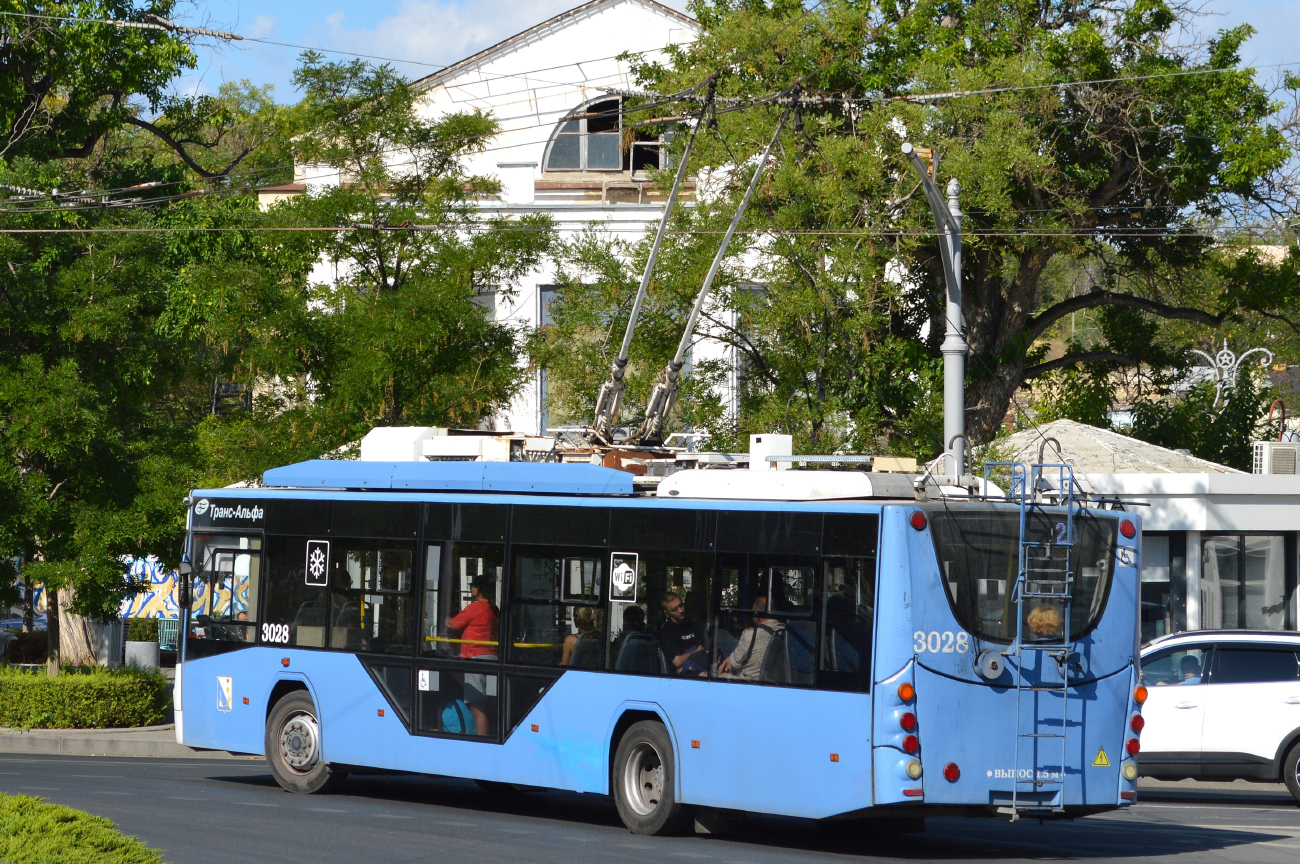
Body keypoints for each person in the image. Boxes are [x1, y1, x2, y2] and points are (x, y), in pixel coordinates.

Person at [446, 575, 499, 736]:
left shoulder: (475, 608)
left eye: (473, 586)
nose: (471, 589)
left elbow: (453, 624)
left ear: (478, 589)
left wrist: (446, 617)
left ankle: (480, 741)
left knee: (477, 707)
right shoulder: (493, 609)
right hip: (491, 657)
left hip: (474, 657)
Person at [718, 596, 784, 681]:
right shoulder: (785, 632)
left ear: (756, 615)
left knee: (706, 675)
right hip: (774, 682)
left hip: (748, 681)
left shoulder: (751, 635)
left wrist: (728, 660)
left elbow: (732, 665)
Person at [658, 591, 708, 676]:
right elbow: (677, 662)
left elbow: (707, 651)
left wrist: (688, 656)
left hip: (702, 665)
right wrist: (697, 651)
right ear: (666, 612)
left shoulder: (696, 625)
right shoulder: (666, 631)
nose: (680, 610)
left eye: (681, 605)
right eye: (674, 609)